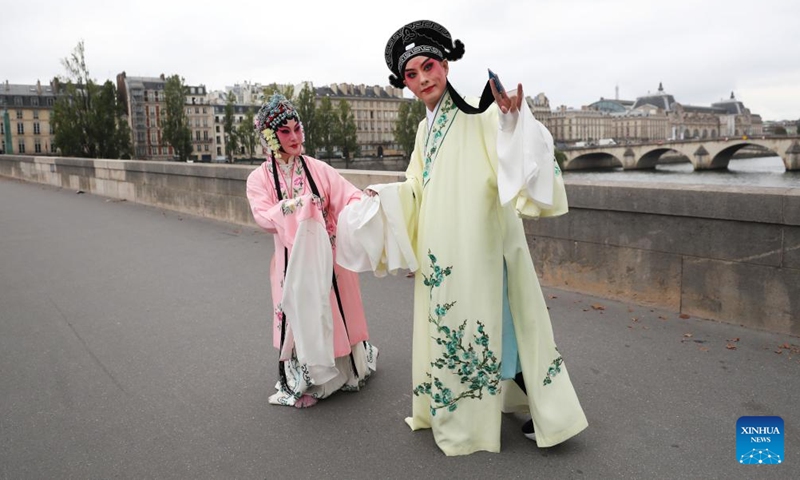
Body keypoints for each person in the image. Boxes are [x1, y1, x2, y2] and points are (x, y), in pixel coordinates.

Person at [337, 20, 587, 455]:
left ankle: (545, 412)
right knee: (479, 325)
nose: (422, 79)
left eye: (428, 66)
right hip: (444, 250)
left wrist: (510, 119)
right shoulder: (424, 130)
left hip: (481, 243)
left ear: (446, 65)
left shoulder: (478, 112)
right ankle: (492, 406)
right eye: (411, 74)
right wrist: (384, 196)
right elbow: (417, 186)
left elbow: (508, 147)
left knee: (507, 321)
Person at [246, 93, 377, 408]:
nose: (294, 137)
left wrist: (365, 199)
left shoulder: (318, 168)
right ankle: (308, 379)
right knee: (300, 315)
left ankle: (346, 370)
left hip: (330, 259)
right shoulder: (258, 179)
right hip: (292, 262)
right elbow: (263, 215)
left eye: (297, 129)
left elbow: (347, 195)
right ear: (270, 137)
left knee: (336, 310)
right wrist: (300, 206)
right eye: (285, 132)